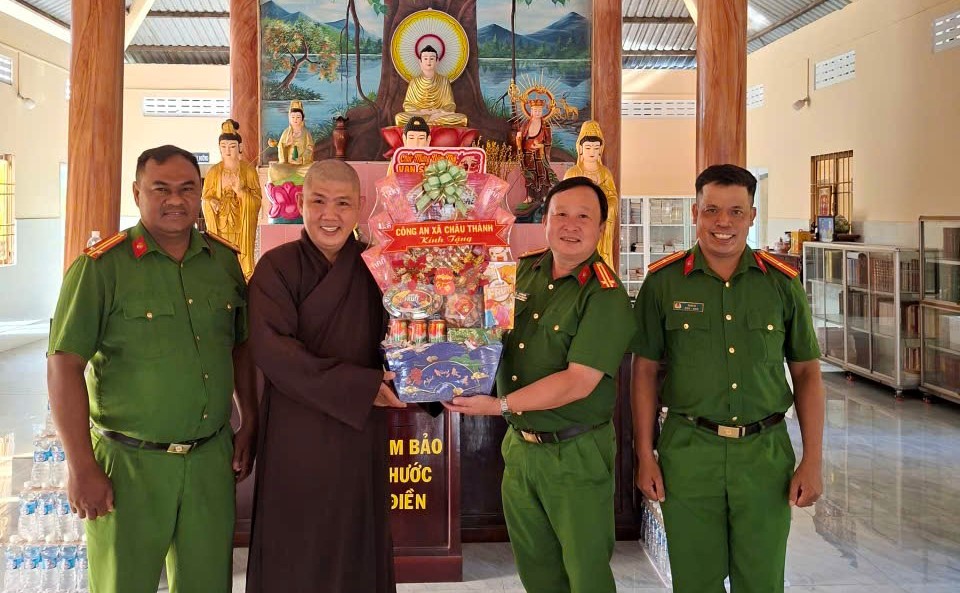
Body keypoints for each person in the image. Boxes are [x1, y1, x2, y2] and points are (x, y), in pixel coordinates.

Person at [47, 145, 258, 593]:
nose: (175, 200)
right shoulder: (101, 268)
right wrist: (80, 465)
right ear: (136, 193)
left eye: (187, 188)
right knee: (123, 584)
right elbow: (64, 364)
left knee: (207, 584)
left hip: (209, 460)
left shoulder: (223, 262)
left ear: (201, 192)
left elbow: (240, 346)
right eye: (160, 189)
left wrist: (250, 418)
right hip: (129, 465)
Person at [630, 164, 825, 593]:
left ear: (752, 216)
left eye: (736, 211)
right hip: (688, 452)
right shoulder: (663, 283)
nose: (723, 222)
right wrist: (645, 453)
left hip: (764, 455)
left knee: (762, 581)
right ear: (695, 212)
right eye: (712, 210)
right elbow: (643, 371)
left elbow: (807, 372)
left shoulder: (782, 284)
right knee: (695, 581)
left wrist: (812, 459)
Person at [445, 177, 636, 593]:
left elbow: (578, 382)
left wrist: (498, 406)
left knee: (586, 574)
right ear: (544, 221)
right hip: (520, 447)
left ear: (601, 227)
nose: (570, 225)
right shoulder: (521, 273)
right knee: (536, 570)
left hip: (575, 452)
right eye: (560, 214)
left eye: (583, 216)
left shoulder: (605, 295)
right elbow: (482, 332)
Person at [245, 159, 406, 592]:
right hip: (295, 436)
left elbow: (404, 335)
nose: (329, 215)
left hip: (358, 436)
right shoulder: (275, 267)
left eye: (342, 203)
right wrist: (362, 387)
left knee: (356, 544)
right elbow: (273, 352)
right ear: (300, 201)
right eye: (318, 201)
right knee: (292, 547)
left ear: (361, 206)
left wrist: (430, 373)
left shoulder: (379, 267)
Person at [201, 119, 263, 280]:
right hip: (220, 225)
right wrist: (211, 202)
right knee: (222, 259)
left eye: (232, 146)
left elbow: (257, 201)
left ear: (240, 147)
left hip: (241, 226)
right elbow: (205, 198)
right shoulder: (213, 172)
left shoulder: (249, 171)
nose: (227, 151)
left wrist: (241, 192)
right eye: (224, 146)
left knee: (240, 260)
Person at [563, 121, 618, 267]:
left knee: (598, 254)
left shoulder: (605, 173)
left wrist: (607, 204)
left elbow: (613, 197)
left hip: (600, 223)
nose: (592, 152)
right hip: (578, 223)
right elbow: (564, 200)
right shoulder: (572, 173)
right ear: (580, 149)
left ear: (601, 150)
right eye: (588, 147)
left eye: (596, 148)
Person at [395, 45, 468, 127]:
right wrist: (421, 112)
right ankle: (429, 122)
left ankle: (422, 123)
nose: (428, 61)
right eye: (425, 58)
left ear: (437, 61)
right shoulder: (414, 82)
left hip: (438, 115)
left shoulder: (444, 81)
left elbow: (450, 105)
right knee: (399, 117)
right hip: (420, 115)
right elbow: (408, 105)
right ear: (420, 62)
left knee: (462, 118)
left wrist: (438, 111)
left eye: (432, 58)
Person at [514, 99, 558, 224]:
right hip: (528, 154)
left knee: (542, 176)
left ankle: (544, 196)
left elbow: (548, 142)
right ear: (531, 111)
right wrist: (518, 140)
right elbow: (521, 140)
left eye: (539, 110)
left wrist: (541, 146)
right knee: (530, 176)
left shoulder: (545, 126)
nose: (537, 112)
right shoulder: (526, 124)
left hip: (540, 155)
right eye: (535, 110)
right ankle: (530, 197)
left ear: (543, 111)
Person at [277, 100, 314, 166]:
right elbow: (281, 147)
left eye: (298, 117)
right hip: (289, 164)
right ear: (289, 118)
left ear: (302, 118)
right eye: (293, 117)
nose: (295, 119)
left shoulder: (306, 133)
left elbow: (310, 147)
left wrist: (305, 158)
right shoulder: (286, 132)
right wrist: (286, 144)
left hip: (302, 164)